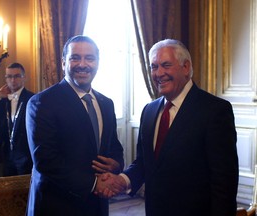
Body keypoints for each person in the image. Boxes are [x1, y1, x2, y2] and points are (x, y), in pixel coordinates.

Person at [97, 39, 239, 216]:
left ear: (186, 67)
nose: (158, 73)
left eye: (165, 65)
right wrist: (122, 180)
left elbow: (224, 181)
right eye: (154, 67)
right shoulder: (149, 111)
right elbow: (143, 163)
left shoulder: (215, 110)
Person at [25, 35, 124, 216]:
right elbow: (45, 160)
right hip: (56, 206)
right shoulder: (42, 102)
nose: (83, 64)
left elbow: (114, 147)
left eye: (89, 58)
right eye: (75, 58)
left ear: (98, 63)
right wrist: (94, 184)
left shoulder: (106, 103)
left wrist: (116, 166)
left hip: (97, 206)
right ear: (63, 63)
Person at [0, 62, 34, 176]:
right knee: (8, 189)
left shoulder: (32, 99)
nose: (13, 80)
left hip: (26, 154)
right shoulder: (2, 100)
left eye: (17, 76)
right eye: (9, 76)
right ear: (6, 78)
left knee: (24, 190)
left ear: (24, 78)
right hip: (7, 155)